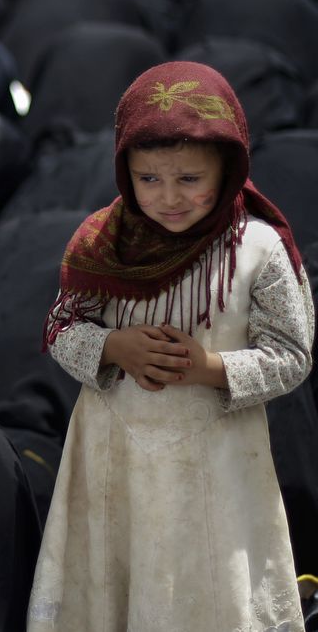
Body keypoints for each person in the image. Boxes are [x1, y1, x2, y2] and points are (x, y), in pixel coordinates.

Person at [32, 61, 314, 630]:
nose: (169, 198)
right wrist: (113, 347)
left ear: (228, 169)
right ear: (125, 172)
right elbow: (62, 329)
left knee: (209, 589)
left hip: (217, 461)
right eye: (149, 179)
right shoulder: (104, 241)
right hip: (114, 453)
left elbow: (292, 354)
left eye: (190, 178)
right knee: (115, 587)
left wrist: (211, 367)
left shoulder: (255, 247)